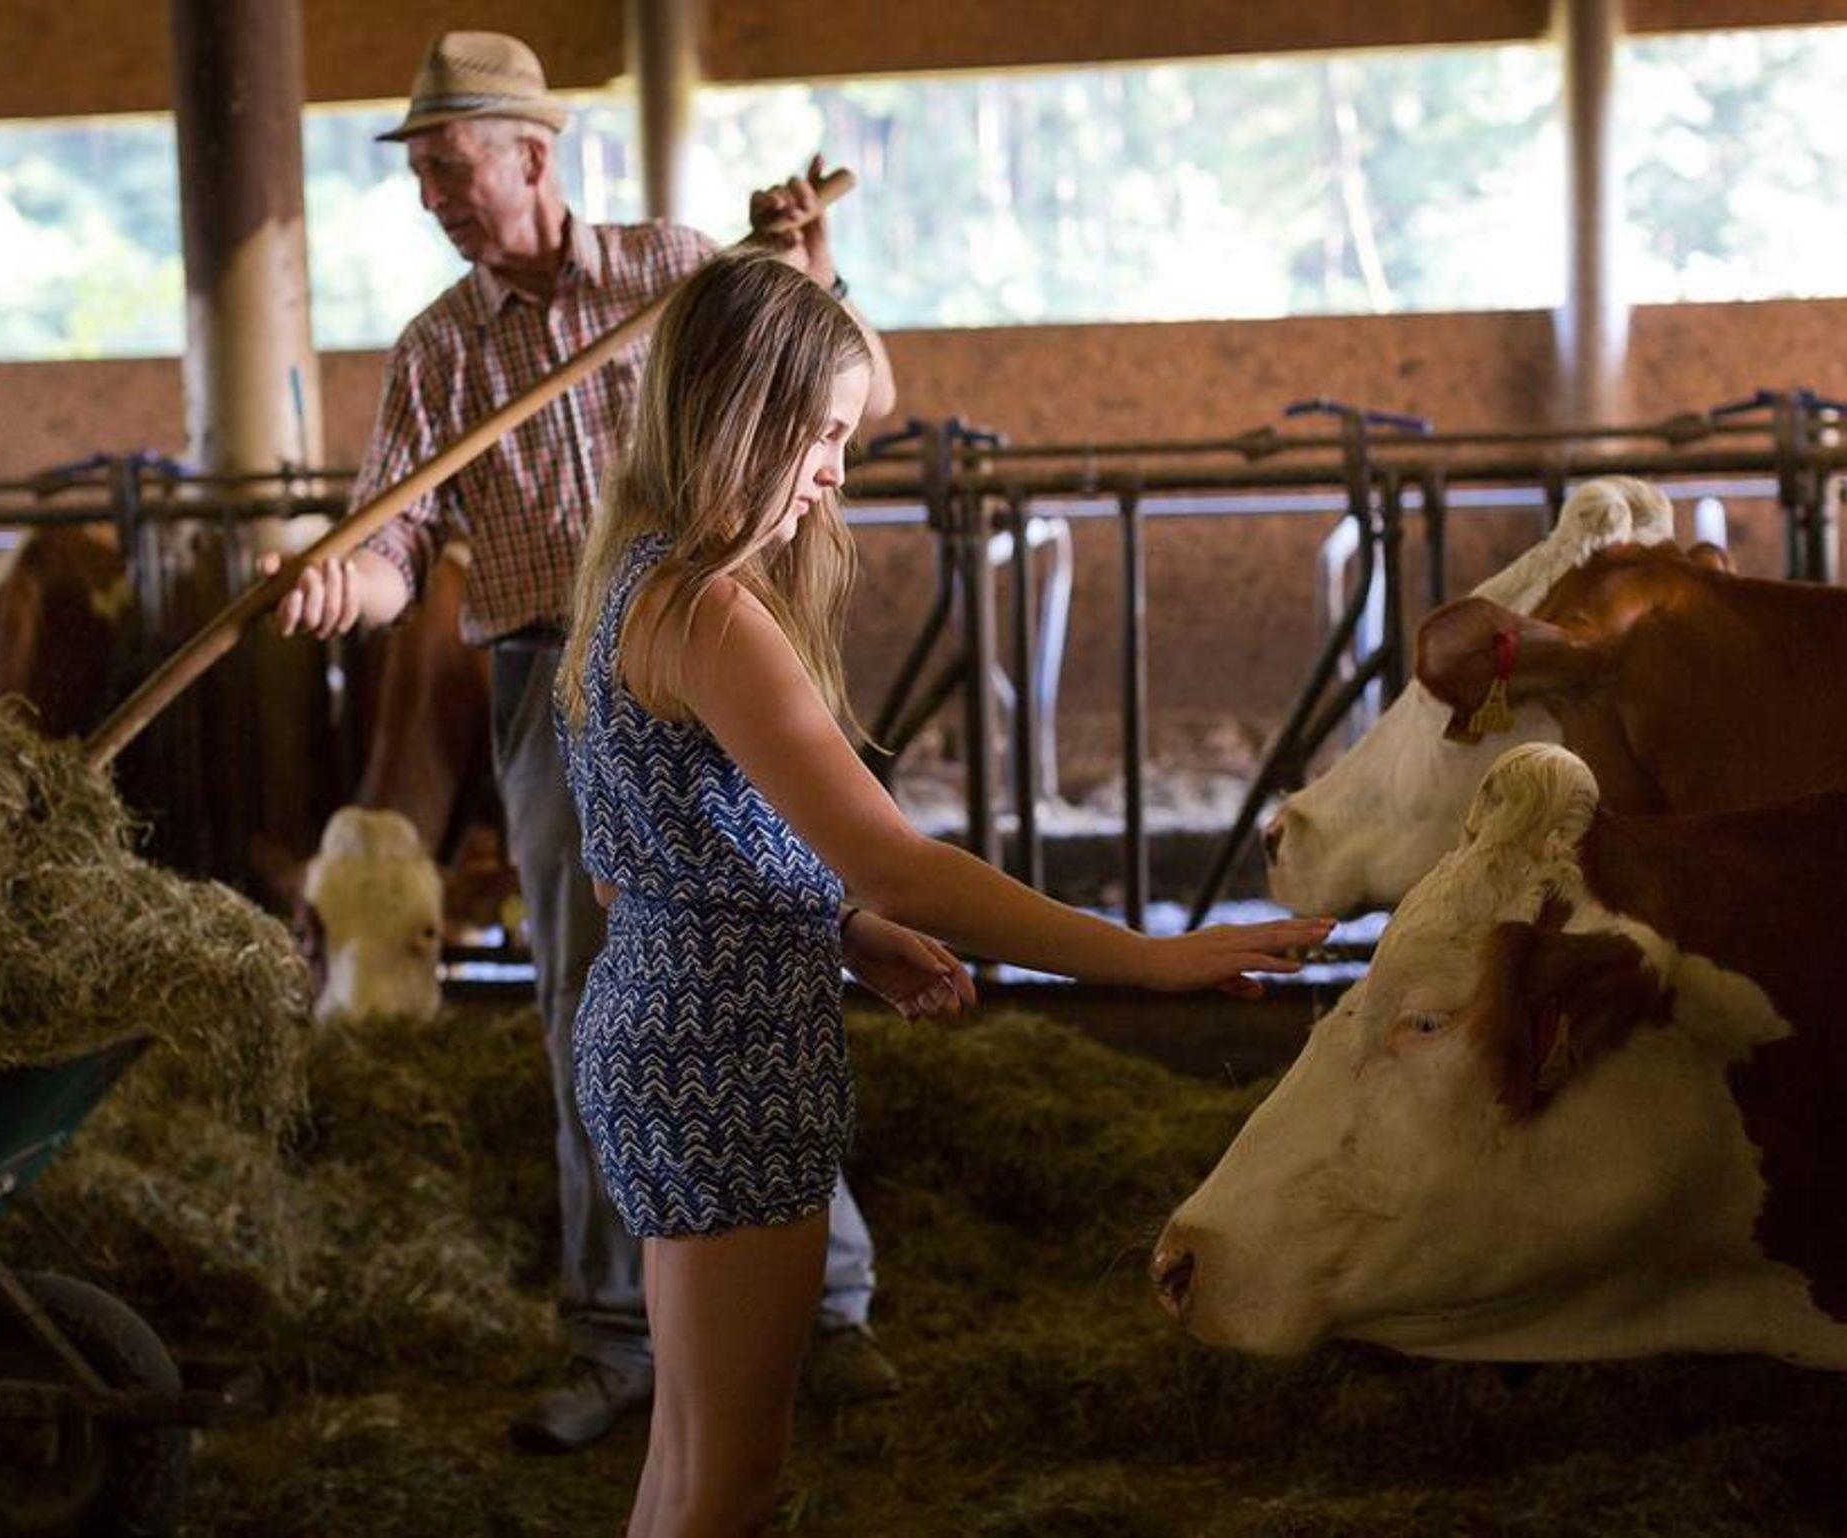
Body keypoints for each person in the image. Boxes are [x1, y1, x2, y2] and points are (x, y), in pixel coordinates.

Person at [558, 250, 1337, 1537]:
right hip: (726, 1054)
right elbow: (902, 861)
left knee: (683, 1456)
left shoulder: (625, 583)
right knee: (730, 1476)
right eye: (821, 435)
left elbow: (633, 864)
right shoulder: (711, 613)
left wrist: (839, 931)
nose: (833, 472)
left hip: (655, 1027)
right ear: (744, 416)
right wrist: (1147, 956)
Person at [264, 29, 922, 1453]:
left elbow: (854, 394)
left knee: (776, 947)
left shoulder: (672, 271)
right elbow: (395, 548)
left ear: (533, 154)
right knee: (591, 994)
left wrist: (812, 278)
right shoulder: (438, 349)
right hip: (551, 681)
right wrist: (335, 587)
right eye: (421, 173)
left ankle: (826, 1306)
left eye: (451, 165)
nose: (433, 195)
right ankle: (619, 1332)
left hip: (717, 645)